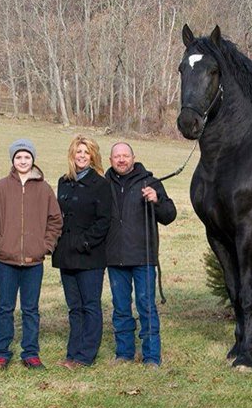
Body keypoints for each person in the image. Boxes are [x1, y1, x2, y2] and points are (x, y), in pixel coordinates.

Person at [0, 139, 62, 370]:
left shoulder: (44, 189)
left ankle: (30, 353)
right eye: (18, 157)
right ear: (13, 161)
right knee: (5, 307)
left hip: (34, 261)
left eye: (27, 157)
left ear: (33, 159)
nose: (23, 161)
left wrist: (45, 246)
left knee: (31, 309)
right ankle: (1, 353)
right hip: (6, 260)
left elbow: (55, 220)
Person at [105, 142, 177, 367]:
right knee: (120, 308)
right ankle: (124, 353)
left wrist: (156, 200)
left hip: (143, 257)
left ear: (133, 158)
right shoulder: (103, 184)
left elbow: (169, 215)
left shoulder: (150, 182)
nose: (121, 160)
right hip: (115, 257)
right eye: (117, 156)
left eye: (125, 155)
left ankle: (151, 357)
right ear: (111, 160)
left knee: (146, 306)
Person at [52, 135, 111, 369]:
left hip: (90, 255)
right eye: (78, 152)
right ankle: (72, 351)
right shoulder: (63, 182)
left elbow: (104, 220)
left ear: (93, 156)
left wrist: (86, 242)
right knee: (74, 306)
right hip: (66, 254)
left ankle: (86, 355)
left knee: (90, 305)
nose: (82, 156)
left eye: (86, 153)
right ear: (72, 155)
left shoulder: (101, 184)